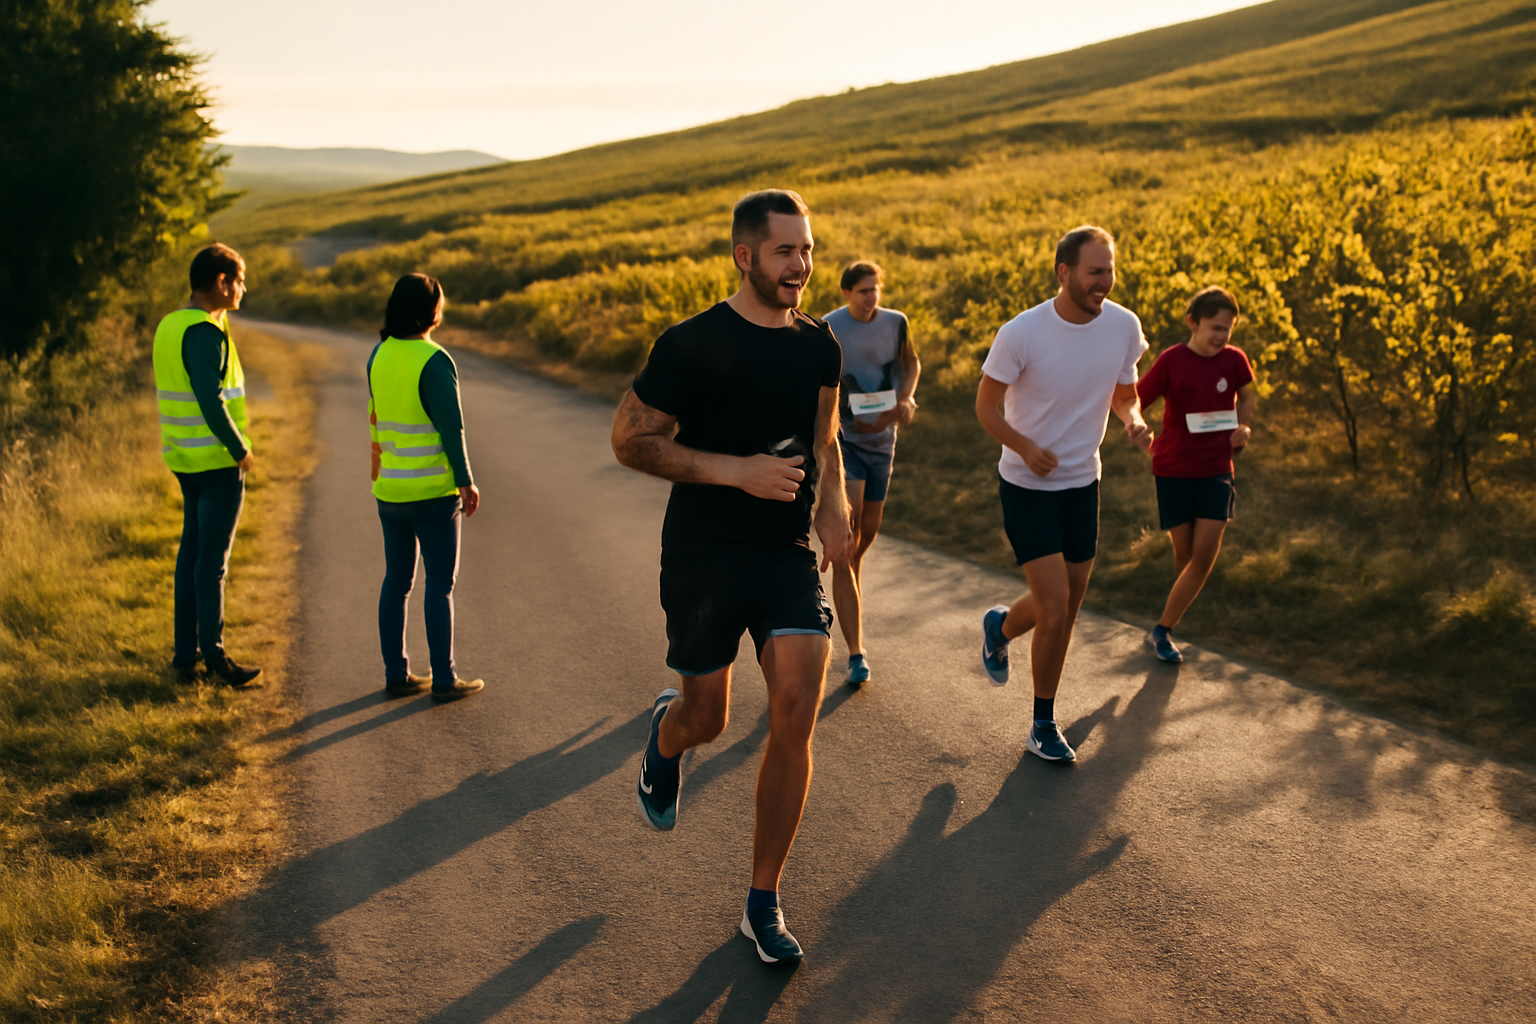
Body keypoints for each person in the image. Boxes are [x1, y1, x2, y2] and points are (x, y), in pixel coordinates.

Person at [611, 189, 853, 964]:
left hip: (783, 553)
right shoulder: (690, 345)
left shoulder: (821, 347)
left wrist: (833, 509)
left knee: (794, 707)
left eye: (808, 249)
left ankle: (762, 901)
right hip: (704, 555)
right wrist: (735, 471)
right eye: (786, 251)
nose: (802, 265)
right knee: (708, 719)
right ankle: (667, 736)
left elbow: (825, 439)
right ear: (745, 256)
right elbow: (630, 439)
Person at [974, 225, 1152, 763]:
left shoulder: (1123, 326)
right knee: (1055, 607)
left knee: (1068, 604)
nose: (1106, 281)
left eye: (1110, 270)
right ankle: (1042, 723)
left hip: (1083, 482)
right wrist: (1025, 447)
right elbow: (985, 407)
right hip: (1027, 485)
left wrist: (1133, 421)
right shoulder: (1023, 333)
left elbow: (1126, 393)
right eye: (1095, 271)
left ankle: (999, 627)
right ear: (1065, 272)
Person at [367, 273, 484, 703]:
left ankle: (396, 673)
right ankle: (444, 679)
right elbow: (451, 429)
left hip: (391, 490)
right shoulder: (434, 360)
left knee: (396, 581)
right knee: (439, 584)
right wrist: (465, 480)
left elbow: (377, 418)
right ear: (430, 311)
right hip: (433, 493)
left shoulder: (378, 356)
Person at [154, 243, 262, 687]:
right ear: (220, 283)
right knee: (210, 563)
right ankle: (215, 659)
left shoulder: (171, 324)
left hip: (183, 457)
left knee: (191, 556)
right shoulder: (204, 332)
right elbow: (209, 397)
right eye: (239, 280)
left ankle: (185, 657)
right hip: (216, 462)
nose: (242, 289)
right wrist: (240, 450)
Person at [1135, 286, 1255, 663]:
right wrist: (1137, 428)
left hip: (1217, 469)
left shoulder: (1235, 361)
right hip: (1172, 468)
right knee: (1184, 557)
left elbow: (1247, 396)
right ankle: (1176, 609)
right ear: (1193, 322)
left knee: (1203, 556)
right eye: (1215, 328)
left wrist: (1244, 428)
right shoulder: (1172, 360)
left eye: (1227, 330)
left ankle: (1162, 630)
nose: (1221, 337)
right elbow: (1137, 399)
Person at [823, 261, 920, 688]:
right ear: (847, 293)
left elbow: (910, 363)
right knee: (849, 535)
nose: (871, 297)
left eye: (875, 290)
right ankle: (855, 651)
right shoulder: (828, 327)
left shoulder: (897, 323)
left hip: (884, 444)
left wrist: (906, 399)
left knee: (866, 538)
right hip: (846, 445)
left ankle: (846, 593)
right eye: (863, 291)